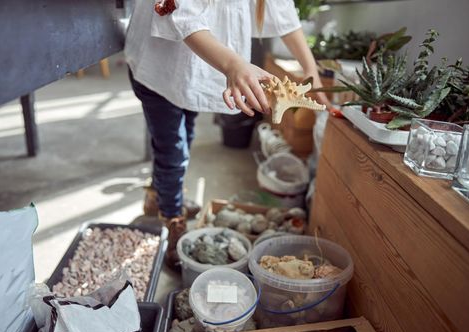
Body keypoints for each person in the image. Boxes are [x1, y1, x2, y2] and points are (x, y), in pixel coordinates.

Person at [125, 0, 331, 269]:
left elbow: (283, 12)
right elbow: (182, 14)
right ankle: (172, 216)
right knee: (173, 149)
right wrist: (234, 65)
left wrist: (311, 71)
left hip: (193, 70)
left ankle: (158, 195)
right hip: (159, 66)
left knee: (181, 136)